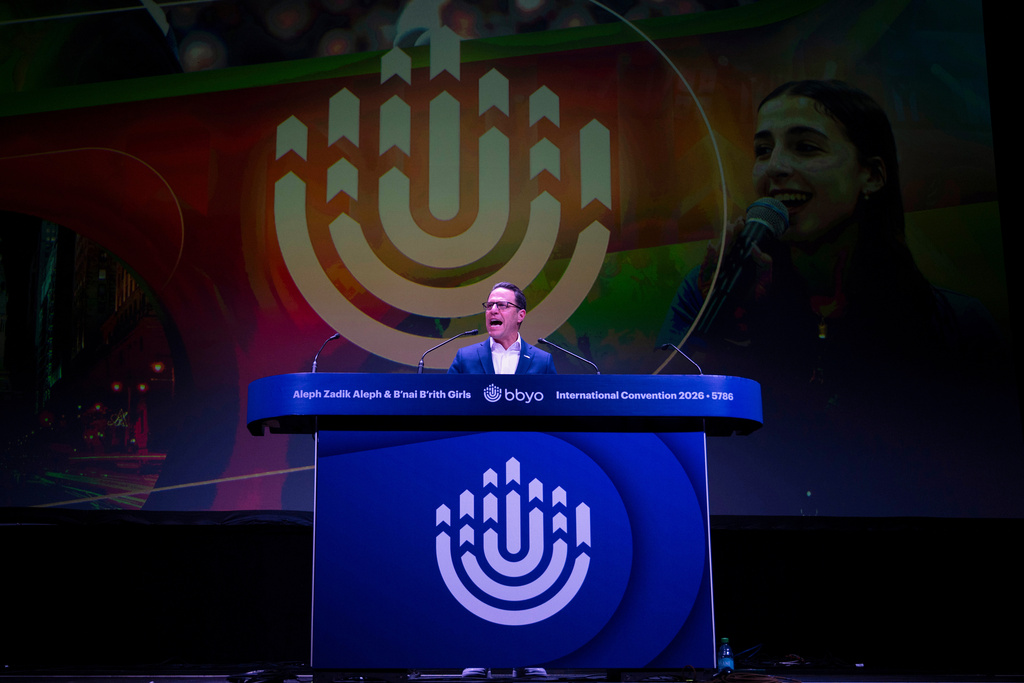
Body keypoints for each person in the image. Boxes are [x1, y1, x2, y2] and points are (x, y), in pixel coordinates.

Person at [656, 79, 1019, 517]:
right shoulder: (708, 293)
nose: (775, 167)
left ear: (872, 175)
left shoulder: (956, 322)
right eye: (763, 150)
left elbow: (989, 476)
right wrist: (730, 333)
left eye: (806, 148)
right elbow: (660, 439)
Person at [449, 282, 557, 375]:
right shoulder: (465, 358)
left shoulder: (542, 361)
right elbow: (448, 392)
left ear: (520, 315)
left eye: (502, 305)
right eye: (489, 305)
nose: (493, 310)